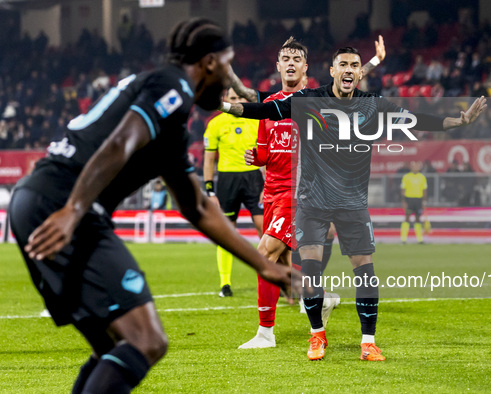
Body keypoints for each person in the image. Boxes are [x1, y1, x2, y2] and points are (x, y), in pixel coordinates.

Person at [9, 19, 297, 393]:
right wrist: (73, 210)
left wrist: (264, 266)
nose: (230, 81)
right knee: (148, 341)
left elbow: (196, 207)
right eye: (227, 66)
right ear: (209, 62)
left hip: (36, 200)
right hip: (63, 206)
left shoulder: (170, 124)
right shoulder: (172, 84)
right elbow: (120, 143)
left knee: (115, 347)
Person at [220, 46, 487, 361]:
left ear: (360, 72)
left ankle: (368, 342)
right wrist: (223, 106)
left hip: (352, 202)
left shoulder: (373, 104)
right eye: (342, 64)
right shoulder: (309, 101)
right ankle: (317, 337)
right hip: (313, 202)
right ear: (332, 70)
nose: (349, 70)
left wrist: (457, 122)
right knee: (310, 270)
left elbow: (414, 119)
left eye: (355, 65)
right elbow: (261, 111)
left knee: (365, 269)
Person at [230, 36, 386, 349]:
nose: (290, 63)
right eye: (284, 58)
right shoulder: (271, 105)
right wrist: (257, 159)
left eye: (296, 59)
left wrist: (374, 63)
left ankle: (266, 333)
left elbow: (350, 77)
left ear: (306, 67)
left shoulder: (317, 98)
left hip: (302, 192)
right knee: (285, 263)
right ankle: (320, 299)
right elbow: (264, 148)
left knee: (265, 254)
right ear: (277, 66)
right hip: (272, 192)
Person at [203, 87, 264, 297]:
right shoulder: (215, 124)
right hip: (227, 180)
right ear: (225, 100)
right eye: (232, 98)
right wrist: (210, 190)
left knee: (265, 230)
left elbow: (264, 155)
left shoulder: (255, 120)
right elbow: (209, 159)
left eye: (239, 98)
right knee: (226, 233)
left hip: (253, 178)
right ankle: (225, 284)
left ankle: (270, 279)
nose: (236, 101)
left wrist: (267, 184)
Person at [400, 161, 427, 244]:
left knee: (418, 219)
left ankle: (420, 239)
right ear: (411, 168)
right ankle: (403, 239)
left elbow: (424, 190)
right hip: (409, 199)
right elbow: (403, 190)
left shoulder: (422, 177)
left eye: (417, 166)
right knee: (407, 218)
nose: (416, 168)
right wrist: (404, 201)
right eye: (414, 166)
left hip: (418, 200)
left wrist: (424, 202)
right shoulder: (406, 177)